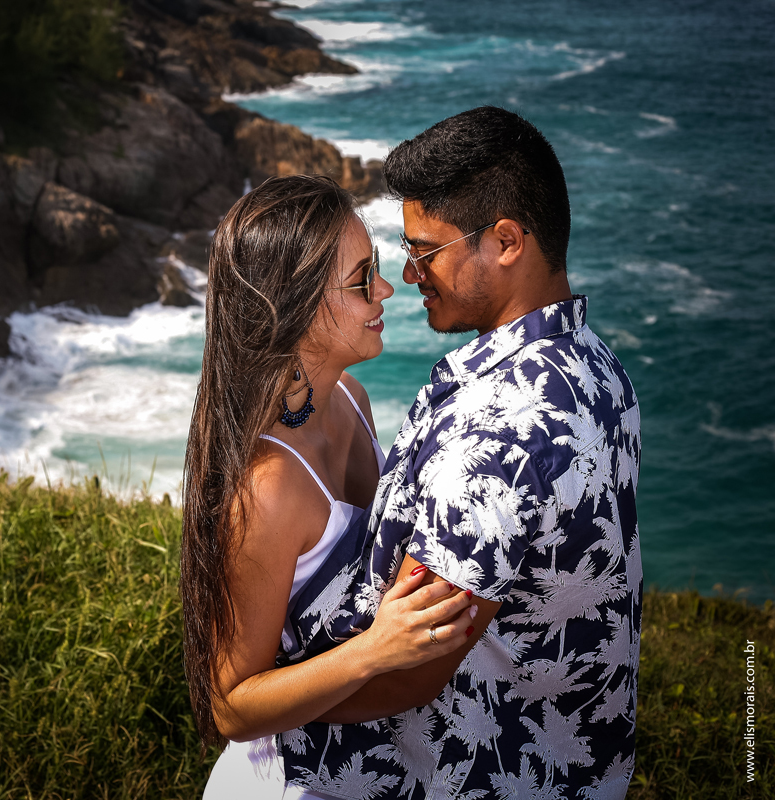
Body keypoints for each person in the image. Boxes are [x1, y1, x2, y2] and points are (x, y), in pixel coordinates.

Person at [277, 107, 643, 800]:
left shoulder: (495, 436)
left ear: (506, 242)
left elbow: (412, 670)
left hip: (469, 776)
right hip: (577, 764)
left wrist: (272, 709)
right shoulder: (599, 368)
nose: (409, 275)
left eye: (424, 249)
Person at [179, 175, 479, 798]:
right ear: (295, 304)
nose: (387, 290)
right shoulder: (268, 488)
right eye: (361, 279)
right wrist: (375, 651)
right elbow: (230, 708)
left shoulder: (351, 398)